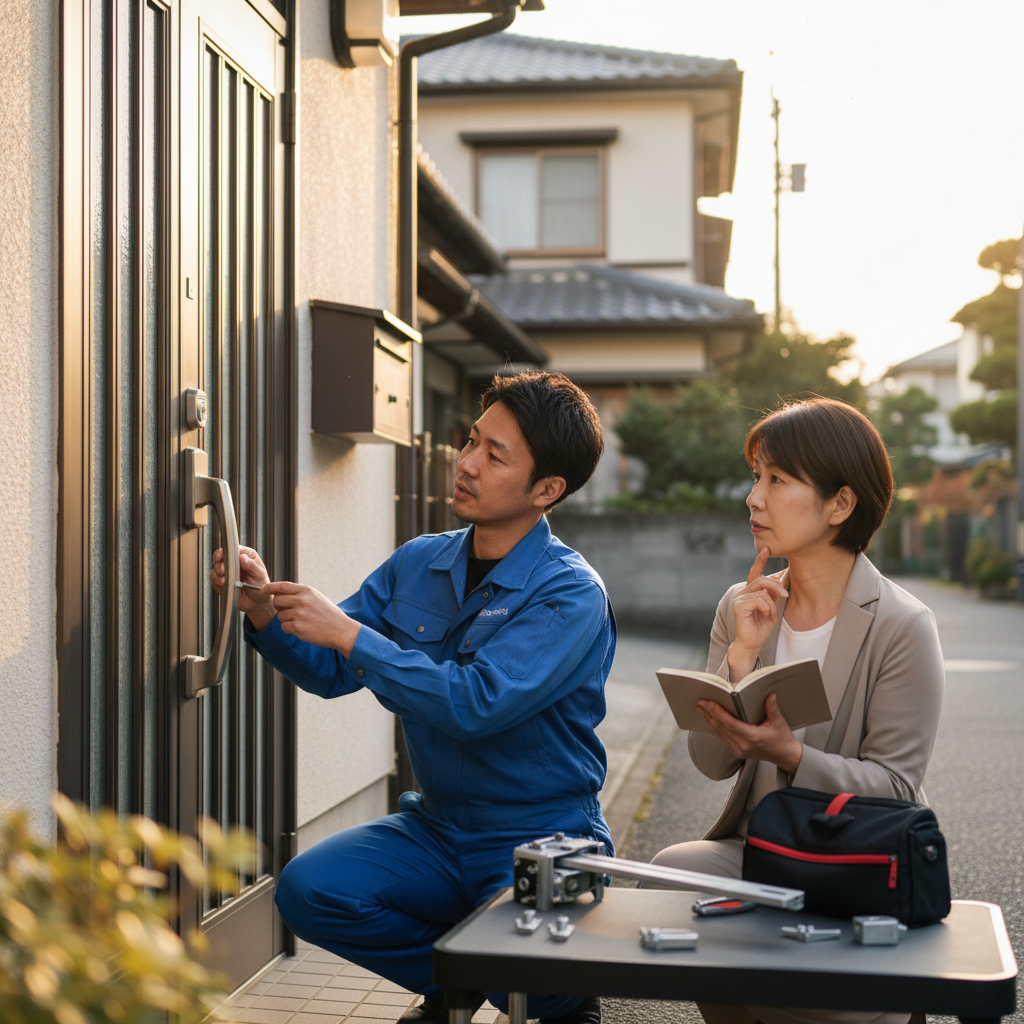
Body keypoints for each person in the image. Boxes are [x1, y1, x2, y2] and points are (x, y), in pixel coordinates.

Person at [211, 371, 613, 1024]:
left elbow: (475, 704)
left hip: (542, 837)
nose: (468, 463)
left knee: (546, 994)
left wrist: (351, 636)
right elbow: (329, 668)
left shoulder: (569, 594)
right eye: (472, 441)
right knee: (310, 892)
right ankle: (455, 981)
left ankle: (549, 989)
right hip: (439, 828)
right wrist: (261, 610)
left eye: (495, 454)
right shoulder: (420, 561)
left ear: (547, 490)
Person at [652, 398, 944, 1024]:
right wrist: (740, 660)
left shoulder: (902, 625)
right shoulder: (744, 604)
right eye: (757, 476)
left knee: (795, 988)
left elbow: (895, 789)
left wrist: (791, 755)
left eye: (776, 480)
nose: (753, 497)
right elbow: (709, 762)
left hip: (854, 860)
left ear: (840, 505)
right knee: (669, 876)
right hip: (764, 850)